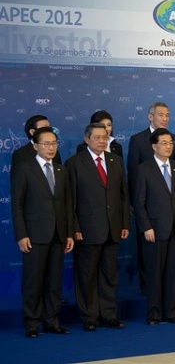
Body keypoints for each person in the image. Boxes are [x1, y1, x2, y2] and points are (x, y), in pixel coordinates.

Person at [67, 123, 130, 331]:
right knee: (87, 275)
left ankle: (109, 314)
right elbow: (71, 201)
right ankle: (90, 317)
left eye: (105, 137)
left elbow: (123, 196)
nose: (102, 141)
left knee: (109, 275)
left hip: (113, 228)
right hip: (86, 229)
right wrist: (74, 227)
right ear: (86, 139)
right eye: (97, 137)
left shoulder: (116, 161)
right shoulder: (75, 163)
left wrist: (124, 223)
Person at [11, 127, 74, 338]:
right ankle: (32, 323)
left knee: (54, 282)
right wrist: (21, 234)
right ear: (36, 146)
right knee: (33, 281)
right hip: (34, 234)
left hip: (58, 234)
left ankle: (52, 321)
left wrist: (68, 234)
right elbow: (17, 205)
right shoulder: (24, 169)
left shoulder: (61, 170)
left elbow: (67, 205)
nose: (51, 147)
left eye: (54, 143)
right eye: (46, 144)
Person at [134, 128, 175, 325]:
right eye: (164, 143)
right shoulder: (144, 169)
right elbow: (139, 202)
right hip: (154, 230)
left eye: (171, 143)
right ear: (154, 146)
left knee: (172, 274)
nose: (168, 147)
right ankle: (155, 314)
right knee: (155, 274)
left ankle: (172, 313)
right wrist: (146, 227)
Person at [128, 102, 175, 294]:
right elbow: (133, 173)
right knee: (147, 252)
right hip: (146, 205)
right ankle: (147, 287)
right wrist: (134, 203)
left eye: (167, 115)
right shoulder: (137, 139)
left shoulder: (173, 138)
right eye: (160, 115)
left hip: (169, 210)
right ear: (150, 117)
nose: (165, 118)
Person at [11, 115, 63, 179]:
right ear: (32, 132)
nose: (49, 131)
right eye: (45, 128)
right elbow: (18, 183)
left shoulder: (54, 152)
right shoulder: (21, 154)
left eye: (50, 128)